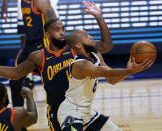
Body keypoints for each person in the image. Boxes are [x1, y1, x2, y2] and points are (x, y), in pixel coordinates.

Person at [0, 1, 113, 130]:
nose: (62, 32)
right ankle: (17, 121)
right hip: (58, 111)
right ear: (48, 34)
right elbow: (15, 72)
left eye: (63, 29)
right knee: (15, 83)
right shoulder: (38, 56)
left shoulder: (73, 46)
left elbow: (106, 45)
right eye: (58, 29)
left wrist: (99, 17)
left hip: (80, 108)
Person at [57, 2, 154, 131]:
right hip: (71, 111)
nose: (91, 36)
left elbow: (111, 76)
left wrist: (99, 17)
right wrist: (131, 70)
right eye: (86, 36)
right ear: (79, 45)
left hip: (87, 113)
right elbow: (106, 72)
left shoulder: (95, 53)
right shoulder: (80, 64)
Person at [0, 0, 58, 123]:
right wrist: (4, 5)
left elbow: (54, 19)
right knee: (14, 82)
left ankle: (59, 114)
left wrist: (57, 47)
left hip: (43, 46)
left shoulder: (40, 2)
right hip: (29, 45)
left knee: (53, 83)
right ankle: (18, 118)